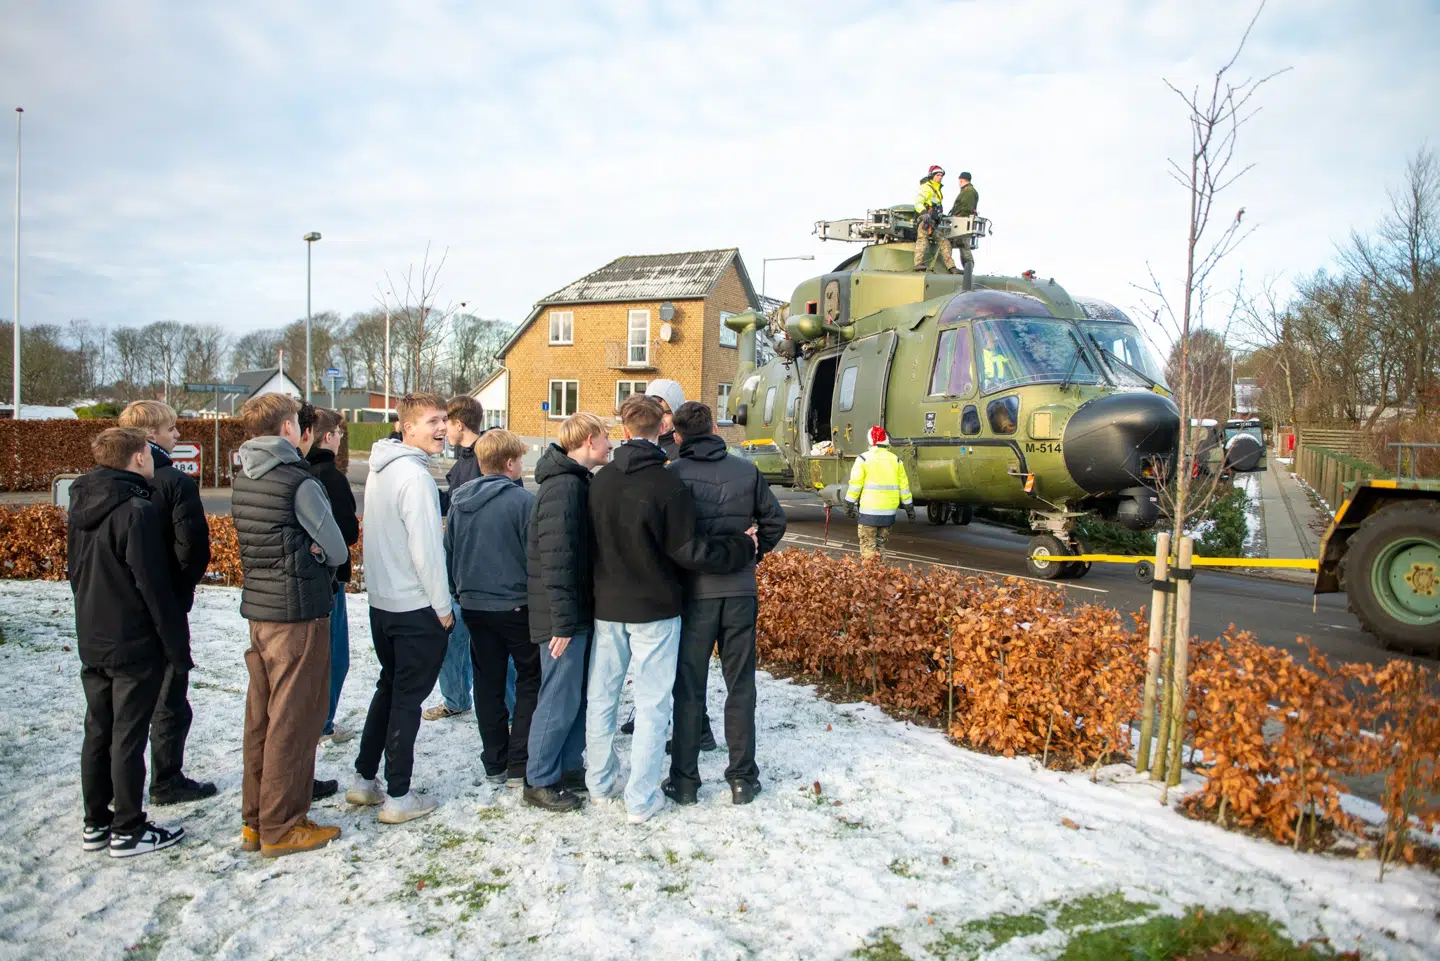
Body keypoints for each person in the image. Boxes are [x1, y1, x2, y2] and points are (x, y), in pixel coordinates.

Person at [585, 394, 756, 824]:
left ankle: (600, 782)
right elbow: (689, 551)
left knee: (602, 697)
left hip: (608, 604)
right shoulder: (666, 483)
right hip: (655, 608)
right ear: (661, 429)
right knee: (652, 702)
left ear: (624, 430)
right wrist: (742, 546)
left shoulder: (600, 480)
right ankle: (640, 799)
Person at [232, 394, 349, 857]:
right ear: (286, 428)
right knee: (294, 721)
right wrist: (317, 554)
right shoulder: (296, 480)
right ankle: (283, 825)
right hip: (298, 615)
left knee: (261, 718)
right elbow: (336, 549)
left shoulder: (245, 475)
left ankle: (256, 820)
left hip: (260, 612)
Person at [69, 427, 189, 858]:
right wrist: (175, 644)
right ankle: (128, 826)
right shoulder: (136, 510)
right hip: (132, 639)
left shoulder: (81, 500)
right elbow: (152, 584)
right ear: (139, 457)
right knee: (126, 734)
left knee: (98, 729)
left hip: (94, 633)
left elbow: (75, 571)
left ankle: (96, 821)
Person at [664, 402, 786, 807]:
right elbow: (775, 522)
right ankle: (742, 778)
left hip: (693, 595)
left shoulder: (673, 474)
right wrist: (753, 552)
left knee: (689, 687)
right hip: (739, 592)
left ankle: (684, 780)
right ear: (715, 427)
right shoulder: (746, 470)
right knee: (741, 684)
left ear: (678, 436)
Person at [347, 393, 453, 824]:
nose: (442, 428)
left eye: (445, 419)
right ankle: (398, 795)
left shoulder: (381, 469)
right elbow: (426, 550)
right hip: (415, 607)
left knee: (389, 689)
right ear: (407, 427)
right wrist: (443, 609)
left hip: (383, 605)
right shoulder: (414, 477)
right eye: (432, 421)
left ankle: (363, 779)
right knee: (406, 700)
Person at [117, 401, 214, 806]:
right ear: (151, 435)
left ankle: (118, 790)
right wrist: (178, 590)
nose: (177, 436)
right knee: (170, 695)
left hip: (119, 605)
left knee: (122, 702)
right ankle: (166, 778)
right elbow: (192, 549)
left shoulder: (105, 480)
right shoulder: (173, 481)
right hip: (166, 604)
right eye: (171, 429)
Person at [523, 412, 611, 813]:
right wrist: (561, 621)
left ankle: (566, 767)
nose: (610, 445)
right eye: (606, 437)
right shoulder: (563, 488)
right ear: (590, 440)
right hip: (563, 618)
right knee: (558, 698)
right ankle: (539, 779)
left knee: (572, 697)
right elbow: (557, 560)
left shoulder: (574, 482)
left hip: (572, 613)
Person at [446, 429, 541, 787]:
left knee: (488, 682)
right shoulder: (521, 503)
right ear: (511, 463)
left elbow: (450, 550)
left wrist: (459, 591)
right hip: (514, 604)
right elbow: (534, 557)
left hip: (474, 604)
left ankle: (494, 761)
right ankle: (520, 761)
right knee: (532, 678)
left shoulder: (459, 502)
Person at [306, 408, 360, 745]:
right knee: (335, 654)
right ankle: (323, 722)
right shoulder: (330, 477)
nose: (341, 440)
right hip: (330, 578)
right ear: (329, 437)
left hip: (304, 581)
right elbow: (348, 532)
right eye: (339, 434)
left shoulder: (298, 470)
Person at [844, 426, 915, 561]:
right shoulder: (896, 460)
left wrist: (848, 504)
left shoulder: (864, 459)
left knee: (868, 550)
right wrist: (909, 508)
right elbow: (904, 487)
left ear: (871, 441)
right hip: (888, 515)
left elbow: (855, 485)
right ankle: (883, 576)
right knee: (880, 548)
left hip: (869, 513)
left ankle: (871, 578)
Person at [913, 165, 957, 274]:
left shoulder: (937, 189)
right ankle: (918, 264)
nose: (940, 177)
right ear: (932, 176)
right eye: (938, 175)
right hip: (925, 220)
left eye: (941, 175)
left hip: (932, 223)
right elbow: (917, 202)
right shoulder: (926, 187)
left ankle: (951, 267)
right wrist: (924, 213)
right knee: (923, 240)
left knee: (944, 242)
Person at [948, 171, 980, 290]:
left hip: (962, 223)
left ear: (961, 180)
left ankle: (969, 270)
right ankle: (967, 269)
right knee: (962, 246)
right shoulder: (969, 191)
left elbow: (966, 208)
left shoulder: (968, 192)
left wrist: (958, 216)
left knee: (964, 246)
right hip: (962, 222)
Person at [645, 379, 685, 461]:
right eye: (653, 411)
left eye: (667, 412)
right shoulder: (637, 447)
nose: (660, 418)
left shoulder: (683, 451)